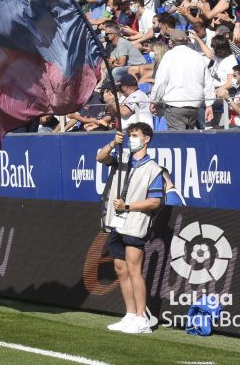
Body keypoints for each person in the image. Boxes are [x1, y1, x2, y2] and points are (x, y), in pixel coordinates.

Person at [96, 123, 165, 334]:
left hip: (135, 223)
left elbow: (155, 202)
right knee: (120, 267)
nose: (131, 139)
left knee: (134, 269)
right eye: (129, 135)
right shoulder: (122, 160)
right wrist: (112, 142)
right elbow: (100, 157)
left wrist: (128, 206)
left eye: (135, 135)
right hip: (118, 222)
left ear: (147, 139)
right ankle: (130, 314)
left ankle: (142, 319)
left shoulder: (154, 169)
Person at [149, 29, 215, 130]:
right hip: (194, 106)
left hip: (176, 105)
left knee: (178, 141)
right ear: (187, 40)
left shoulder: (169, 56)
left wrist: (154, 101)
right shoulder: (198, 56)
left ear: (171, 42)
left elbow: (161, 82)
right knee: (188, 140)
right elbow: (208, 82)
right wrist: (209, 105)